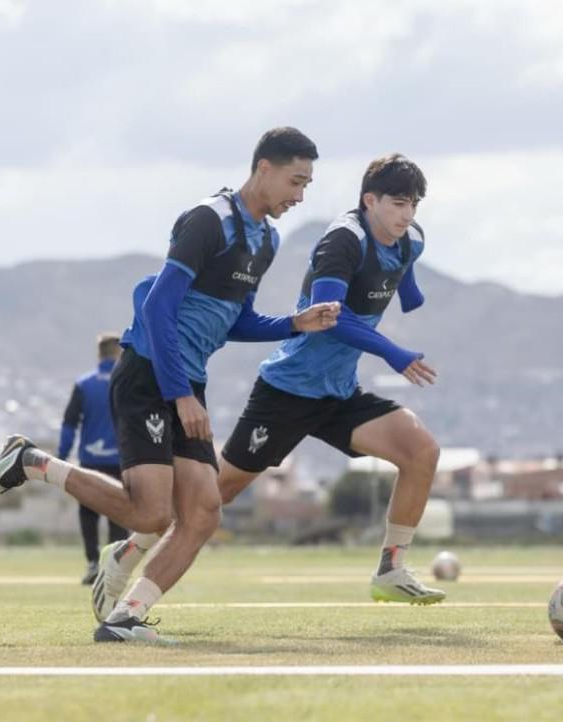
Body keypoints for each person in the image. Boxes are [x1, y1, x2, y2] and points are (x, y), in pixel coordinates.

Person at [0, 127, 341, 642]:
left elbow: (235, 320)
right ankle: (32, 463)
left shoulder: (267, 241)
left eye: (306, 186)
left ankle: (125, 618)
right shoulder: (208, 220)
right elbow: (157, 306)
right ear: (263, 169)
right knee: (151, 512)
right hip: (150, 374)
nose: (299, 196)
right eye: (295, 181)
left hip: (188, 380)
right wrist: (180, 393)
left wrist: (293, 324)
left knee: (204, 513)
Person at [93, 153, 445, 622]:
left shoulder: (410, 240)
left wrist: (407, 279)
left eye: (414, 206)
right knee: (214, 499)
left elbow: (406, 276)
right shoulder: (342, 241)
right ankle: (132, 547)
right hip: (288, 391)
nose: (407, 215)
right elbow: (330, 319)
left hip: (339, 392)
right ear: (370, 200)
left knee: (420, 450)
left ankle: (391, 569)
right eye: (399, 204)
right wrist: (393, 352)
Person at [58, 333, 130, 584]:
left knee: (88, 513)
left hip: (90, 460)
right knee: (120, 514)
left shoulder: (84, 384)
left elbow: (69, 424)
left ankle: (92, 564)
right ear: (119, 352)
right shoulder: (128, 381)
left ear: (99, 354)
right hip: (123, 459)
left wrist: (62, 457)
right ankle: (113, 568)